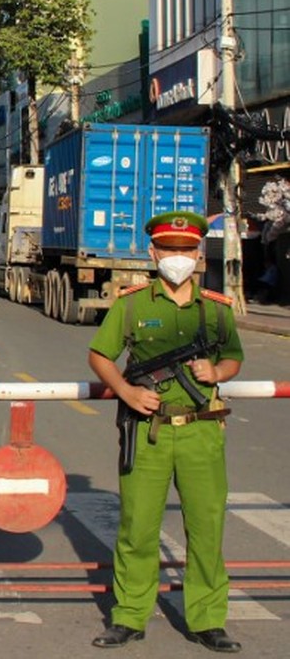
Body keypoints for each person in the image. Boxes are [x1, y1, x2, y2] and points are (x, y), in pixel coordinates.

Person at [88, 211, 244, 653]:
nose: (177, 258)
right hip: (148, 429)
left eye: (185, 251)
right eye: (169, 250)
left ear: (199, 256)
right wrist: (125, 391)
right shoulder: (132, 304)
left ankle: (208, 620)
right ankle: (129, 616)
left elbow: (234, 357)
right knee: (138, 527)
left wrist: (217, 370)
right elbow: (100, 355)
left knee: (206, 526)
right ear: (153, 253)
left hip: (201, 431)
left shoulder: (215, 309)